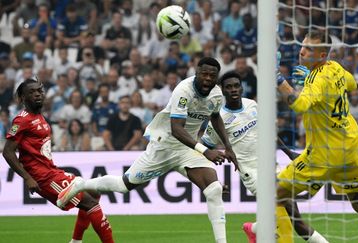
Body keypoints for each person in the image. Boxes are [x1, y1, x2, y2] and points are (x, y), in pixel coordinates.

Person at [57, 57, 239, 243]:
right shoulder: (184, 91)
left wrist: (228, 147)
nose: (208, 78)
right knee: (123, 186)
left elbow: (216, 118)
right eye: (204, 74)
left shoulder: (216, 94)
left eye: (212, 75)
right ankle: (81, 184)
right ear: (196, 72)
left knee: (214, 189)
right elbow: (176, 128)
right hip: (164, 145)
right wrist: (205, 151)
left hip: (187, 149)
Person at [271, 31, 358, 242]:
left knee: (275, 197)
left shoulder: (316, 80)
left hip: (323, 155)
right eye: (303, 45)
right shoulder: (335, 67)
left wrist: (279, 80)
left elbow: (299, 105)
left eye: (309, 49)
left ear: (321, 56)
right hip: (349, 148)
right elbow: (352, 84)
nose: (301, 51)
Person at [200, 71, 326, 243]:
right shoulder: (219, 119)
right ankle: (255, 229)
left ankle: (253, 229)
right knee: (291, 212)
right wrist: (214, 181)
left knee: (294, 218)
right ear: (222, 91)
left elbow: (269, 132)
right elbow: (205, 148)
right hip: (251, 172)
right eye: (229, 87)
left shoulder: (252, 105)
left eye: (236, 85)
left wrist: (289, 153)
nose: (234, 90)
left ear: (242, 88)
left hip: (272, 167)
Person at [2, 78, 114, 243]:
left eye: (39, 91)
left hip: (51, 171)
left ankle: (75, 241)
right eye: (31, 92)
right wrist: (28, 178)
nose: (37, 95)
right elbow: (7, 152)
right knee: (90, 203)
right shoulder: (22, 119)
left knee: (94, 193)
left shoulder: (39, 116)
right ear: (23, 98)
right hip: (43, 177)